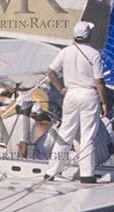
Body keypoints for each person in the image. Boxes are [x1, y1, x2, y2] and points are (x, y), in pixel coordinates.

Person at [46, 21, 110, 183]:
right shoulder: (94, 54)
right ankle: (87, 174)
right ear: (89, 35)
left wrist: (61, 89)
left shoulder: (65, 52)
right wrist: (104, 102)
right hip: (88, 95)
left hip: (71, 94)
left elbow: (51, 72)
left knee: (65, 133)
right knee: (87, 136)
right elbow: (99, 82)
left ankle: (51, 171)